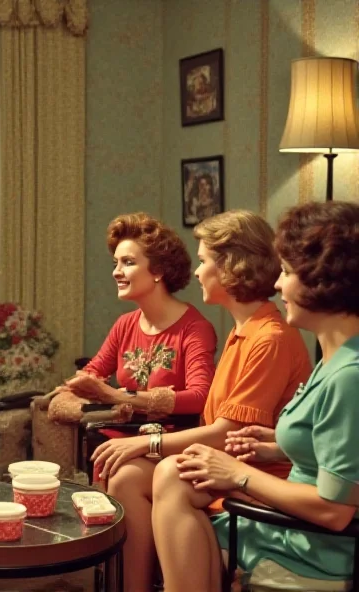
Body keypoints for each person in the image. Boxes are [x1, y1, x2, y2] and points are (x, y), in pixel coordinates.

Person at [91, 210, 312, 592]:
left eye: (205, 260)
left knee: (165, 472)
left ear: (231, 267)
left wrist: (148, 442)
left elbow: (231, 432)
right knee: (126, 476)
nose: (196, 273)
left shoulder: (268, 337)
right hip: (225, 463)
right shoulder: (243, 329)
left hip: (258, 477)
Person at [160, 201, 359, 591]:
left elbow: (335, 510)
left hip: (307, 553)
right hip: (291, 531)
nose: (278, 284)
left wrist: (238, 473)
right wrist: (276, 446)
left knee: (172, 480)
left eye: (286, 272)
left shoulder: (348, 375)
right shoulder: (334, 358)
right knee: (175, 477)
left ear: (323, 279)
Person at [45, 212, 217, 430]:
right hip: (120, 433)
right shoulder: (125, 324)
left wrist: (117, 396)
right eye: (115, 263)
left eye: (128, 262)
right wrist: (79, 387)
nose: (116, 272)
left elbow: (199, 397)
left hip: (167, 442)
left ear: (159, 270)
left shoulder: (195, 329)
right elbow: (92, 372)